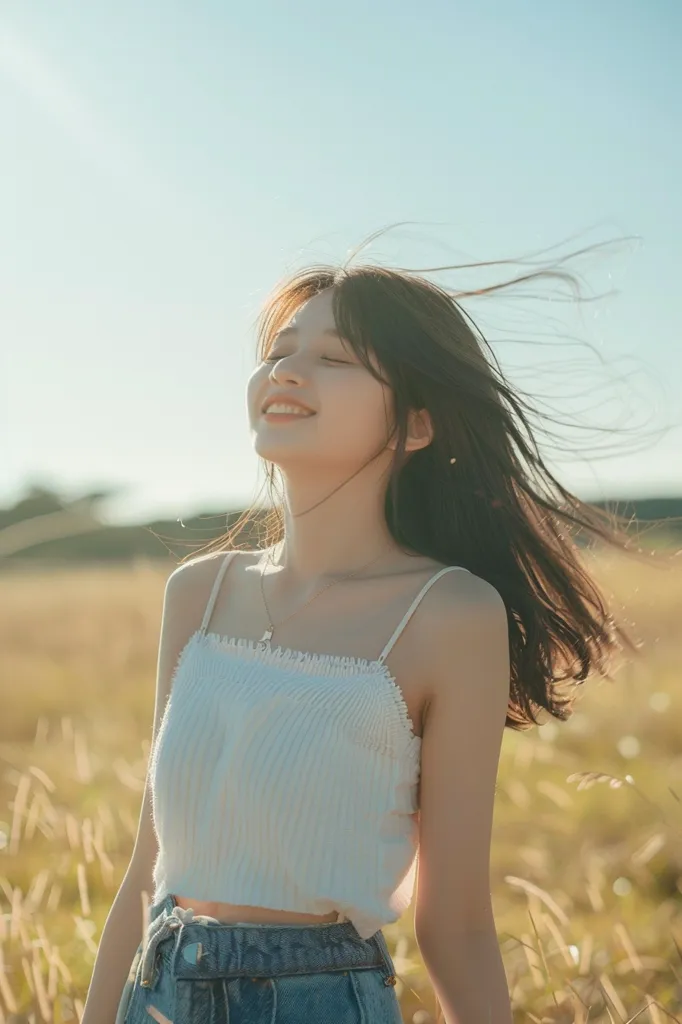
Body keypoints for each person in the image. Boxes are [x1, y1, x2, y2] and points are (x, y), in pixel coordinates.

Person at [82, 249, 638, 1024]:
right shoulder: (200, 593)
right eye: (279, 351)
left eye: (334, 357)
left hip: (320, 998)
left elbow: (457, 923)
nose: (287, 370)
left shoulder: (450, 614)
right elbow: (147, 871)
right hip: (159, 989)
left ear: (416, 423)